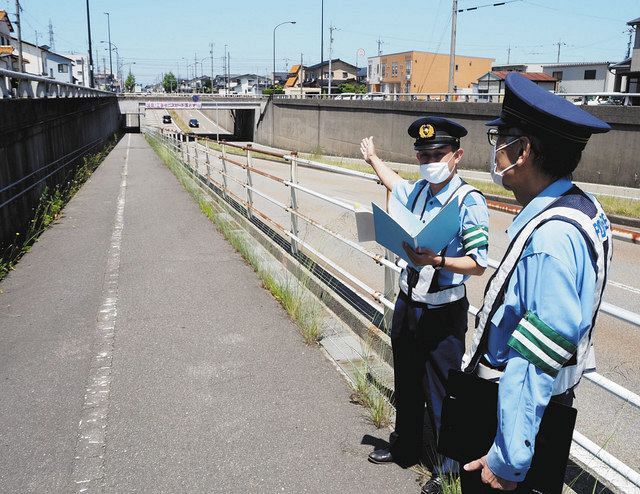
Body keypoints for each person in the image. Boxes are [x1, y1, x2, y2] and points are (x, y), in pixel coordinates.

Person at [460, 72, 612, 492]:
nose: (497, 153)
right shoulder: (583, 205)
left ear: (523, 150)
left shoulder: (551, 237)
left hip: (518, 418)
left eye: (501, 140)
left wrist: (507, 459)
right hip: (540, 409)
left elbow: (535, 354)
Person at [360, 117, 489, 494]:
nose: (429, 161)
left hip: (443, 310)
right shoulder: (417, 191)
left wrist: (440, 261)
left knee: (442, 391)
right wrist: (373, 160)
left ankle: (447, 470)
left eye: (437, 154)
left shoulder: (469, 201)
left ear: (457, 156)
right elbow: (394, 184)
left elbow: (478, 263)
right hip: (408, 303)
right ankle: (406, 449)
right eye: (423, 155)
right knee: (407, 380)